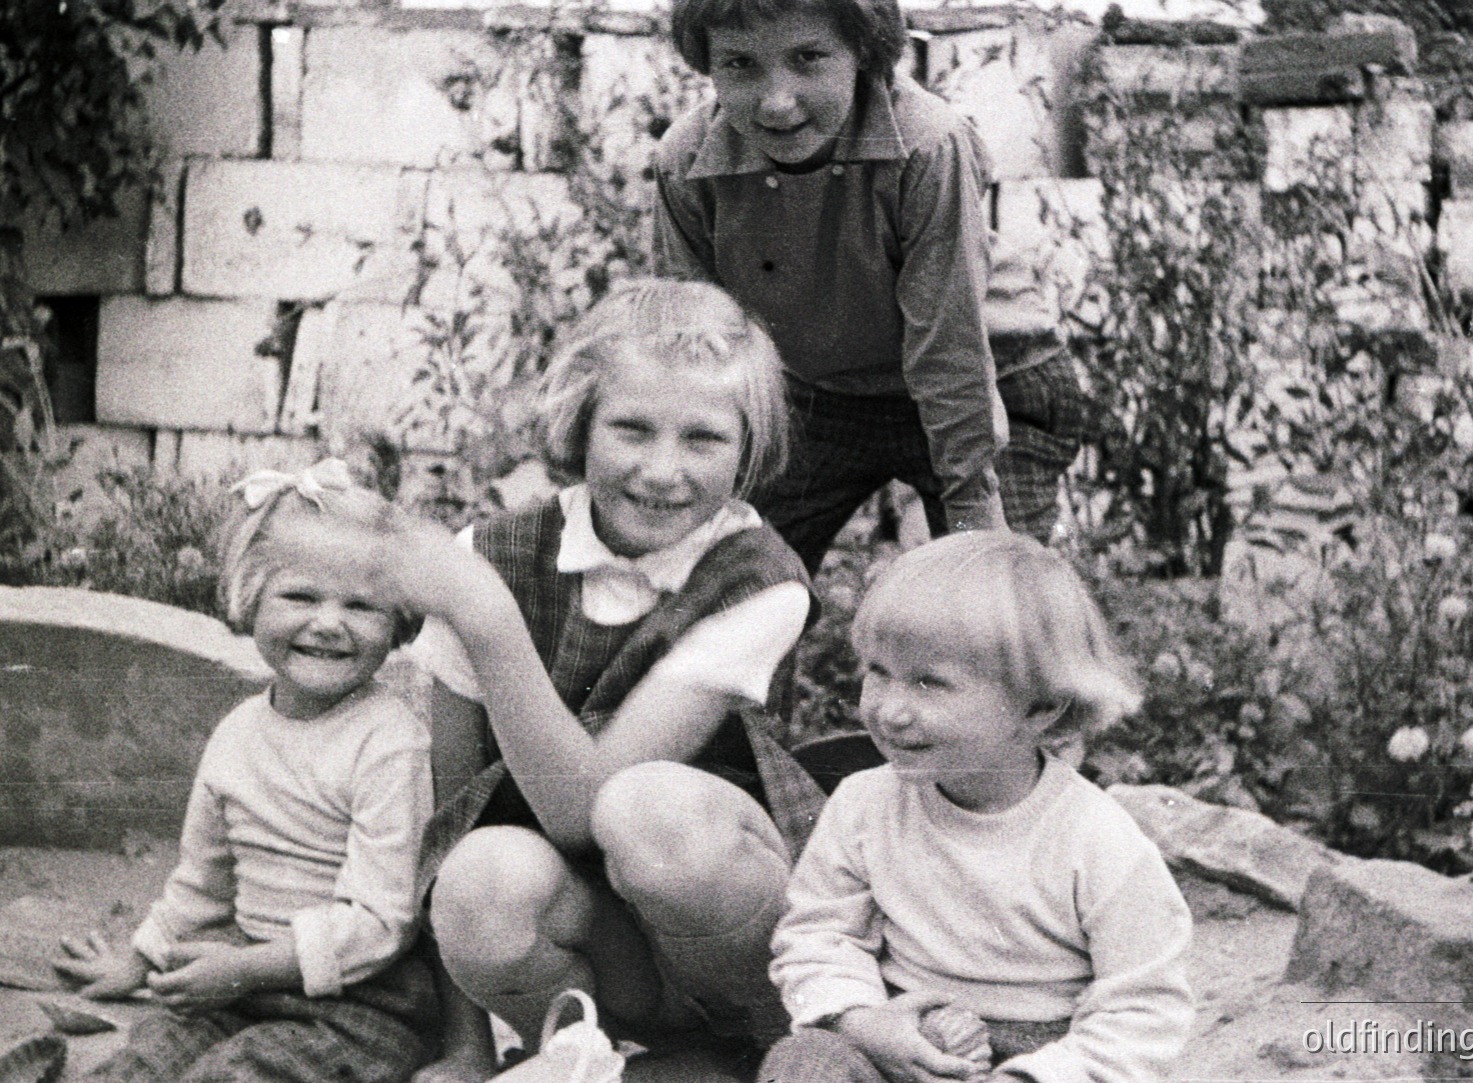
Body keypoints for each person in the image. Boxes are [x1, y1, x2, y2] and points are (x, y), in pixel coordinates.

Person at [399, 279, 826, 1082]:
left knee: (647, 811)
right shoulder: (490, 555)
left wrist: (486, 619)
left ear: (747, 449)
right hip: (604, 935)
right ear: (580, 423)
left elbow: (584, 808)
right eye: (631, 428)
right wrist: (465, 1045)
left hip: (734, 924)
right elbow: (445, 822)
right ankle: (592, 1055)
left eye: (703, 438)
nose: (662, 471)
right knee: (480, 879)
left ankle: (780, 1048)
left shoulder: (758, 579)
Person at [760, 531, 1195, 1083]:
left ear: (1039, 708)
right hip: (901, 1031)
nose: (891, 711)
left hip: (1047, 1051)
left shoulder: (1097, 839)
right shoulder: (864, 805)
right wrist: (861, 1019)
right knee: (804, 1062)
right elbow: (821, 934)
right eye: (879, 672)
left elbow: (1144, 1007)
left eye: (929, 683)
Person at [55, 458, 437, 1083]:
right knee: (137, 1067)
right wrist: (141, 959)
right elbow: (203, 880)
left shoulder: (389, 743)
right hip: (238, 986)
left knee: (233, 1076)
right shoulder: (238, 734)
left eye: (362, 605)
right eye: (300, 596)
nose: (329, 623)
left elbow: (380, 925)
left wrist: (243, 971)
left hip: (360, 1006)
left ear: (398, 620)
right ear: (250, 599)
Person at [652, 0, 1011, 576]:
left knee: (991, 596)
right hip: (820, 394)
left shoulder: (929, 145)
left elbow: (951, 344)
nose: (777, 101)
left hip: (989, 381)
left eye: (808, 58)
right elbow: (695, 347)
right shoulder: (687, 161)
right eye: (740, 64)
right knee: (729, 580)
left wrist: (972, 516)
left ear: (862, 52)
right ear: (708, 64)